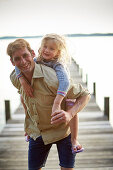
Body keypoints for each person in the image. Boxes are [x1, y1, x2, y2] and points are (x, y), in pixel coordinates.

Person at [7, 38, 90, 170]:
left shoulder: (53, 77)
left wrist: (70, 114)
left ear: (33, 54)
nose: (22, 61)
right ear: (12, 62)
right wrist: (28, 123)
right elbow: (25, 99)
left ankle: (74, 140)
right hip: (38, 132)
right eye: (17, 59)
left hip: (63, 131)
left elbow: (85, 94)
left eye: (25, 56)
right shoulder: (15, 78)